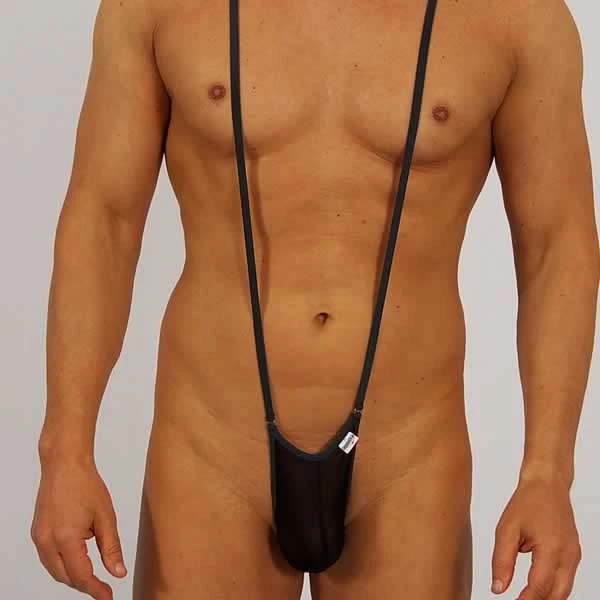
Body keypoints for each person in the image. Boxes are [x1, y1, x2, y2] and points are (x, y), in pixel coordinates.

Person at [31, 0, 599, 599]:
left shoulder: (516, 16)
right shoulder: (156, 7)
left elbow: (556, 244)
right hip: (212, 440)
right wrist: (65, 449)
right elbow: (106, 218)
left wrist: (547, 472)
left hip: (408, 452)